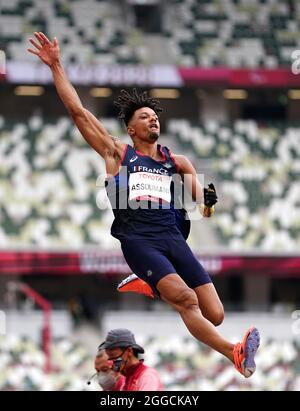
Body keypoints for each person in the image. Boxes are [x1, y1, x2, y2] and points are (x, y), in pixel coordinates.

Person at [27, 32, 260, 379]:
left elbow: (204, 205)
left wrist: (208, 202)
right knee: (186, 301)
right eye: (145, 116)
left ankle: (148, 281)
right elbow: (78, 112)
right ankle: (233, 353)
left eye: (155, 116)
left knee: (215, 313)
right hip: (139, 239)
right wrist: (57, 66)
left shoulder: (176, 161)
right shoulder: (118, 153)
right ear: (131, 128)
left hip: (172, 237)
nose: (153, 120)